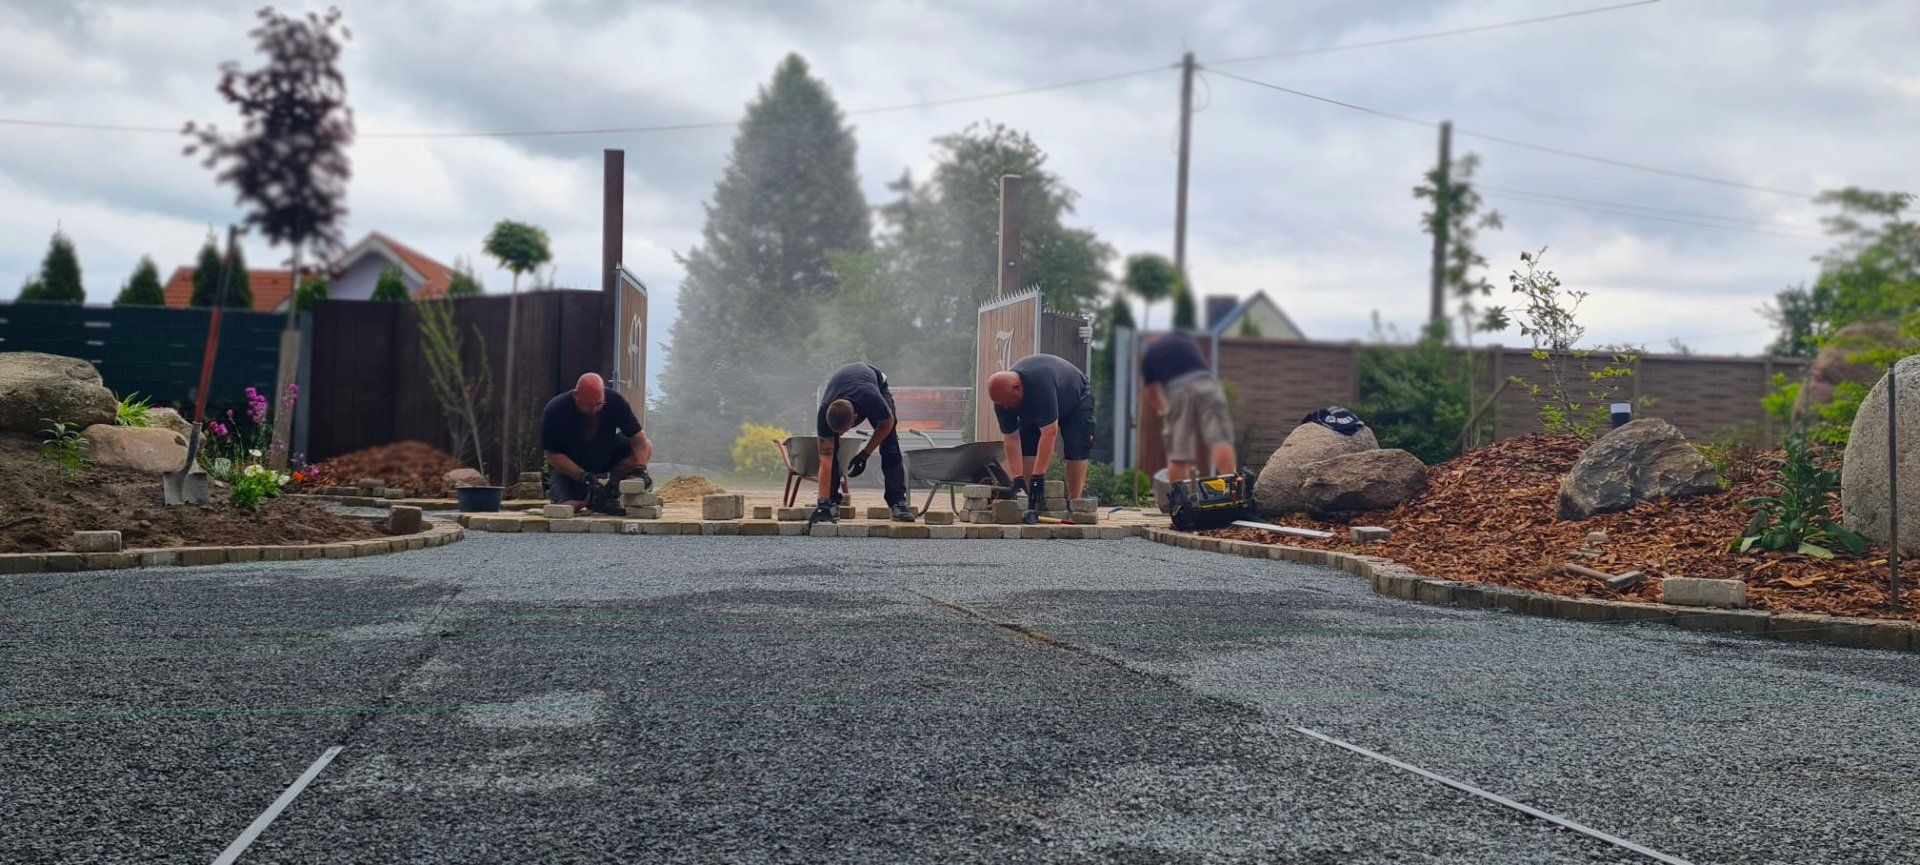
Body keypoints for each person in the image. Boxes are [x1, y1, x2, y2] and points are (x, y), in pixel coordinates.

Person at [986, 353, 1095, 522]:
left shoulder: (1040, 385)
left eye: (1007, 401)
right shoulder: (1002, 399)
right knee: (1028, 444)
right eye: (1001, 404)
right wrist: (1017, 478)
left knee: (1076, 448)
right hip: (1034, 405)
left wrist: (1039, 476)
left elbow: (1049, 433)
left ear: (1017, 387)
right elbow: (1011, 438)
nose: (1006, 406)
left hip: (1075, 400)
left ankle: (1075, 503)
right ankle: (1031, 504)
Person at [812, 362, 915, 524]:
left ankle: (897, 502)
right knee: (831, 449)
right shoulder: (824, 411)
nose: (841, 435)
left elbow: (887, 424)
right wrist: (821, 504)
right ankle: (830, 503)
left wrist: (864, 455)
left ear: (855, 418)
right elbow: (825, 456)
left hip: (874, 384)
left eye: (843, 431)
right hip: (845, 386)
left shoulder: (873, 400)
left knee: (890, 444)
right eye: (837, 433)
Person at [540, 372, 652, 515]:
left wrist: (640, 469)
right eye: (589, 406)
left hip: (605, 455)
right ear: (576, 395)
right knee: (566, 506)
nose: (594, 410)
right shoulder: (555, 410)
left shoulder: (615, 402)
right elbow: (553, 455)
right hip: (571, 466)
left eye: (599, 404)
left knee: (646, 446)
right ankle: (590, 500)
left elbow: (640, 441)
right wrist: (585, 478)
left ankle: (610, 491)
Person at [1141, 330, 1236, 483]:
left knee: (1178, 452)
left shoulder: (1150, 355)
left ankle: (1182, 501)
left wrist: (1164, 409)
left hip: (1178, 391)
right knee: (1220, 439)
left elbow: (1151, 394)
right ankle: (1233, 491)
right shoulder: (1181, 337)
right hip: (1207, 385)